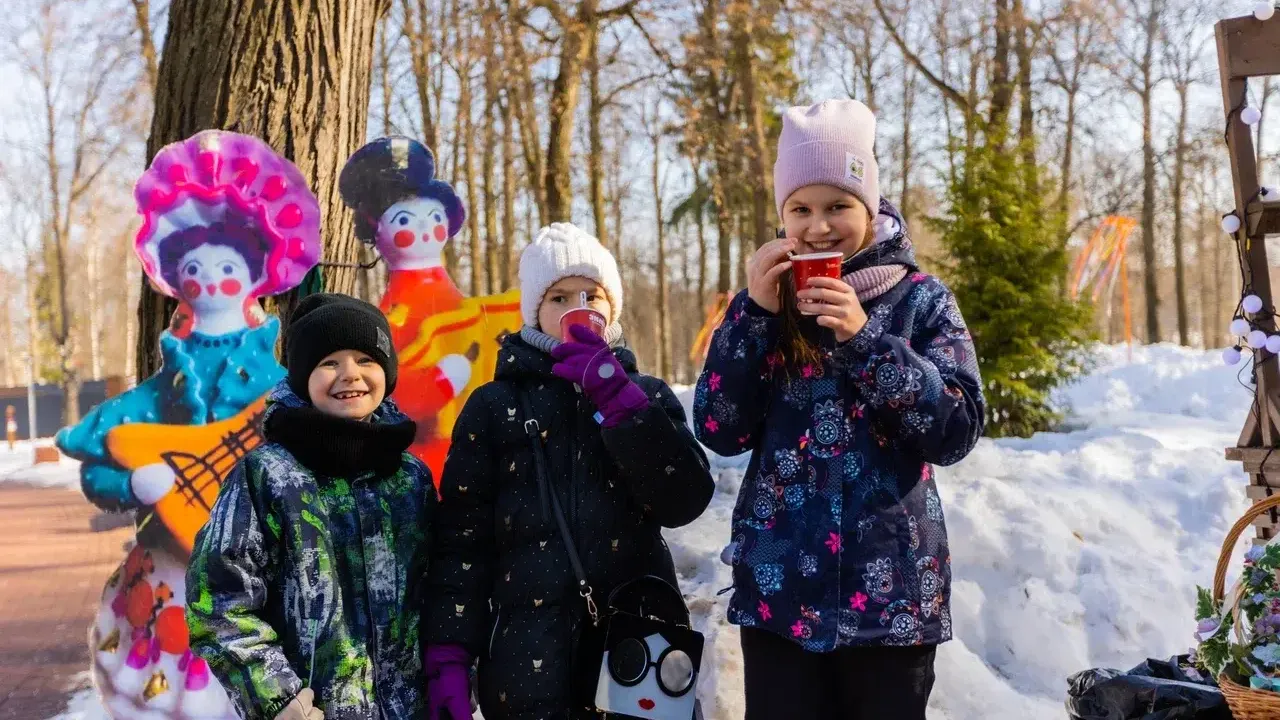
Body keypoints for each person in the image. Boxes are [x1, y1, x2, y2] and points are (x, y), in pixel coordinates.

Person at [693, 99, 985, 719]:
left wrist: (865, 340)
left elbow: (956, 430)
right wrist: (753, 317)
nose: (819, 226)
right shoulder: (765, 305)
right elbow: (718, 428)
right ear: (782, 216)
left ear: (870, 208)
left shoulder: (921, 301)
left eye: (838, 206)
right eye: (801, 209)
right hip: (780, 596)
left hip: (891, 601)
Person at [423, 222, 715, 720]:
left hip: (638, 659)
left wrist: (618, 399)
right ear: (534, 311)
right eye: (559, 298)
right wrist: (449, 653)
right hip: (526, 668)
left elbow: (685, 499)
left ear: (611, 308)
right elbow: (462, 543)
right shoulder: (493, 407)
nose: (577, 309)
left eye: (591, 296)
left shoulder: (646, 395)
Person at [187, 293, 436, 720]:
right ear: (303, 377)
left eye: (365, 359)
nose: (350, 374)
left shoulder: (410, 478)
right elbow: (219, 601)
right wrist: (276, 698)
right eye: (329, 362)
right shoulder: (268, 476)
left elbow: (441, 587)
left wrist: (452, 674)